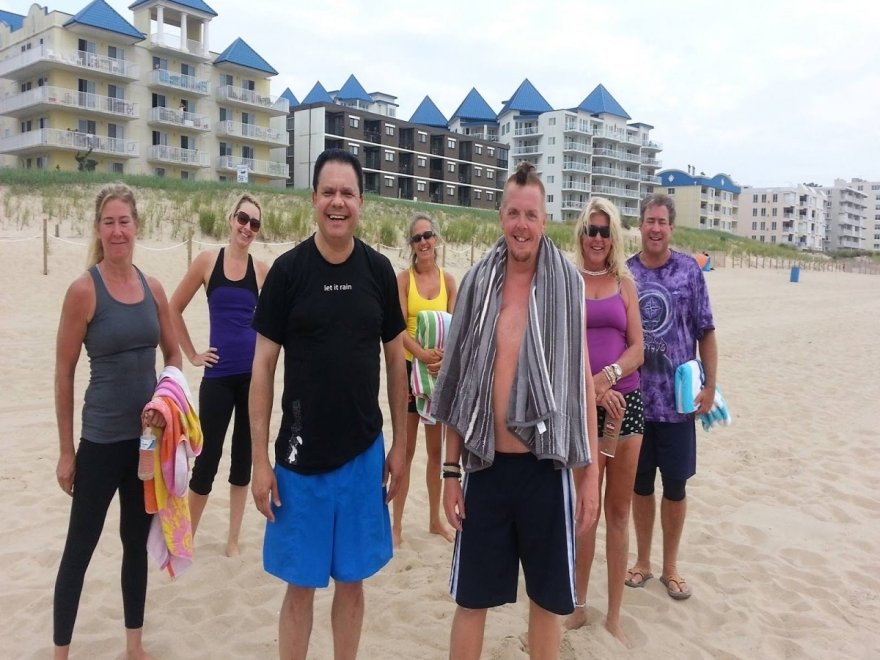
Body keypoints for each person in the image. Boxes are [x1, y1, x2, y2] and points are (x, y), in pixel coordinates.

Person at [434, 162, 600, 660]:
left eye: (531, 214)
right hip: (486, 465)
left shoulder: (568, 286)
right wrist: (449, 472)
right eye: (513, 213)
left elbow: (579, 382)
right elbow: (460, 383)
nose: (521, 225)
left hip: (545, 469)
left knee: (547, 603)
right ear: (500, 216)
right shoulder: (478, 284)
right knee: (470, 599)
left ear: (545, 221)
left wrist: (587, 475)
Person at [249, 148, 408, 659]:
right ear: (313, 199)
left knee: (353, 583)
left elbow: (396, 361)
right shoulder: (288, 273)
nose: (337, 202)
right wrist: (258, 461)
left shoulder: (379, 271)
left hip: (363, 456)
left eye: (348, 193)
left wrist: (403, 446)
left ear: (361, 202)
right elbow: (263, 368)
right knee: (299, 588)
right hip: (298, 460)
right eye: (329, 192)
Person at [53, 183, 181, 659]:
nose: (117, 230)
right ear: (98, 229)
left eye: (124, 220)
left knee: (134, 544)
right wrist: (68, 451)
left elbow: (172, 354)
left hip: (146, 444)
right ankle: (60, 653)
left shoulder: (154, 288)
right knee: (79, 548)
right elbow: (64, 372)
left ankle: (133, 647)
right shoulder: (84, 291)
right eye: (108, 222)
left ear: (137, 225)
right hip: (101, 441)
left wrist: (166, 401)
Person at [624, 193, 717, 601]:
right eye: (650, 221)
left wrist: (710, 386)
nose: (656, 228)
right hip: (637, 402)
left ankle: (671, 567)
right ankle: (642, 562)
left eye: (662, 222)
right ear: (640, 225)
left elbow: (707, 331)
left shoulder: (689, 273)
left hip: (678, 405)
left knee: (675, 487)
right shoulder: (626, 274)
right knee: (641, 486)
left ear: (671, 227)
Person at [169, 193, 269, 556]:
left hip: (252, 379)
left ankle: (233, 539)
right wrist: (193, 354)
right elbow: (173, 307)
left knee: (243, 459)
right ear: (231, 219)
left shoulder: (262, 271)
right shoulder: (208, 262)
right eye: (243, 219)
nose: (247, 227)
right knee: (206, 459)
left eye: (254, 223)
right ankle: (189, 537)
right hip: (217, 377)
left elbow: (284, 316)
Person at [564, 198, 644, 643]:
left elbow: (638, 349)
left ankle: (613, 613)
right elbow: (563, 347)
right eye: (590, 230)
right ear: (581, 235)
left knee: (618, 512)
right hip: (583, 407)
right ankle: (577, 605)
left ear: (613, 236)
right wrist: (593, 387)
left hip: (627, 408)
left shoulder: (626, 285)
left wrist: (610, 377)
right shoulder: (569, 282)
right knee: (585, 511)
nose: (597, 238)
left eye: (604, 230)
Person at [392, 212, 458, 547]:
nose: (424, 243)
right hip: (410, 370)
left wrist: (443, 359)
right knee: (405, 449)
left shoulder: (448, 281)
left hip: (439, 375)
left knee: (436, 452)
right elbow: (398, 328)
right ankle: (397, 525)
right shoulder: (404, 280)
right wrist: (421, 354)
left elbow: (459, 329)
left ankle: (434, 519)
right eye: (417, 238)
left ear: (437, 238)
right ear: (411, 245)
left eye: (428, 235)